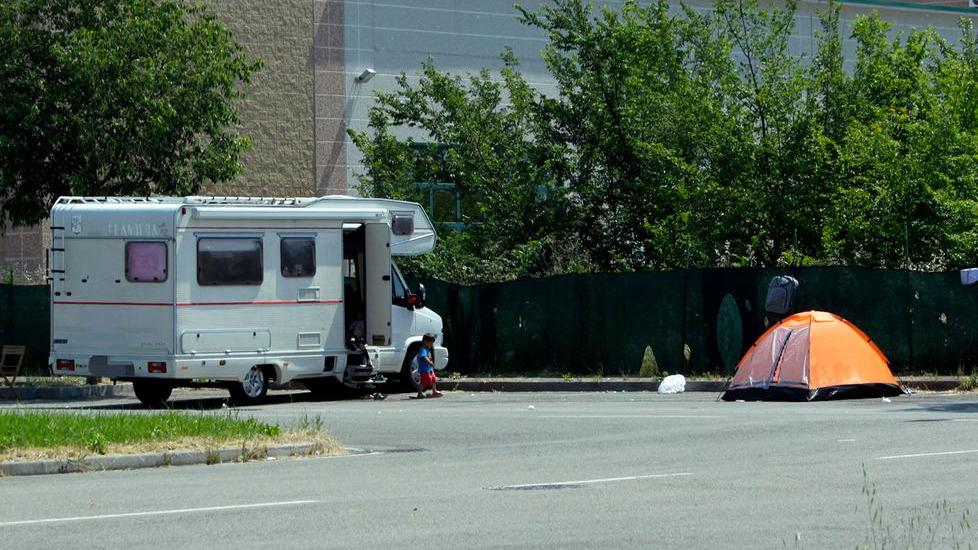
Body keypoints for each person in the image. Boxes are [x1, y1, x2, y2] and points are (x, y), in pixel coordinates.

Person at [415, 333, 442, 399]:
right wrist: (430, 362)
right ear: (425, 342)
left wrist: (431, 362)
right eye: (431, 343)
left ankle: (434, 391)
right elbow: (424, 357)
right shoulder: (423, 349)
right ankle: (420, 393)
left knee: (433, 379)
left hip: (429, 369)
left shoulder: (426, 349)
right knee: (424, 382)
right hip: (424, 370)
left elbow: (428, 357)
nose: (432, 344)